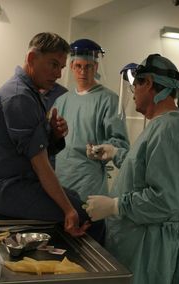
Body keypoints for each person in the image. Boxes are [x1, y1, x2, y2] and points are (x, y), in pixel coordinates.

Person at [85, 54, 179, 284]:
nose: (133, 93)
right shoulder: (158, 126)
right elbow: (145, 168)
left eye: (136, 85)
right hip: (136, 243)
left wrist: (115, 207)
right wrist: (115, 152)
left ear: (149, 84)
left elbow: (165, 199)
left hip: (148, 249)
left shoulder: (172, 129)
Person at [0, 32, 104, 242]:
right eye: (53, 64)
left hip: (18, 184)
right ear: (31, 59)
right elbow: (39, 163)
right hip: (8, 189)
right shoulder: (19, 96)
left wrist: (53, 135)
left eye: (61, 68)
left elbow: (32, 147)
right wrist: (68, 210)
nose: (58, 74)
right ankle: (76, 272)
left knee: (78, 200)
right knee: (90, 217)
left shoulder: (30, 93)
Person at [53, 38, 129, 202]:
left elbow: (120, 143)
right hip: (60, 179)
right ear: (72, 67)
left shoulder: (109, 100)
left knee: (87, 224)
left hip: (89, 182)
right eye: (78, 66)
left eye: (88, 67)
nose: (83, 71)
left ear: (96, 67)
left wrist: (101, 149)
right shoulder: (62, 100)